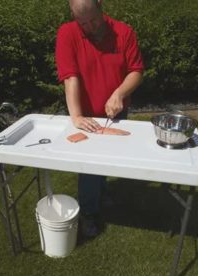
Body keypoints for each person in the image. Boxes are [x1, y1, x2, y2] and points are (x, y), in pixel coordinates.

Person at [55, 0, 144, 237]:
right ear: (74, 16)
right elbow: (70, 77)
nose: (90, 26)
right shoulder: (67, 33)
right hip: (85, 114)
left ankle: (102, 192)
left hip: (116, 113)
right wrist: (76, 115)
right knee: (89, 166)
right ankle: (88, 212)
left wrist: (119, 93)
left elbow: (136, 71)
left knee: (107, 157)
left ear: (100, 6)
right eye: (82, 22)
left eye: (93, 20)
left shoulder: (124, 32)